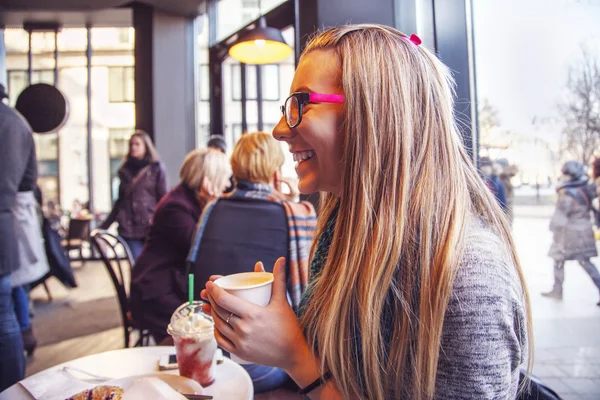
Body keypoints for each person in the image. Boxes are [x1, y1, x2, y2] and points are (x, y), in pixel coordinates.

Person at [202, 25, 532, 399]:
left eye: (302, 103)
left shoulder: (468, 273)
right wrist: (275, 329)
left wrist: (293, 354)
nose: (280, 130)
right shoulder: (343, 227)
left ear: (376, 112)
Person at [191, 132, 317, 393]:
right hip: (263, 367)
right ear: (275, 172)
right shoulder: (297, 214)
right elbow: (310, 299)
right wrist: (292, 199)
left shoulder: (211, 208)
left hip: (210, 355)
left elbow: (192, 271)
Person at [130, 148, 231, 343]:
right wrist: (214, 204)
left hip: (171, 286)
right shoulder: (176, 207)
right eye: (223, 178)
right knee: (206, 328)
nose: (226, 185)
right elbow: (200, 252)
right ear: (207, 179)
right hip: (157, 294)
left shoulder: (185, 199)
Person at [0, 83, 32, 390]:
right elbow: (28, 182)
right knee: (5, 317)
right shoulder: (19, 124)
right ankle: (11, 390)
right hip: (3, 232)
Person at [100, 130, 168, 260]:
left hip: (150, 227)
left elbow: (163, 199)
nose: (133, 147)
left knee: (151, 265)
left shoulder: (156, 169)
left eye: (137, 144)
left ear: (146, 146)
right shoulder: (125, 170)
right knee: (136, 265)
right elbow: (120, 202)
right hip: (129, 228)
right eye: (131, 144)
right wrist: (104, 227)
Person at [542, 161, 600, 305]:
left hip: (568, 235)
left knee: (558, 260)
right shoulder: (586, 189)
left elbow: (560, 218)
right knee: (586, 263)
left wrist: (553, 228)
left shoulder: (567, 193)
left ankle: (557, 290)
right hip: (584, 232)